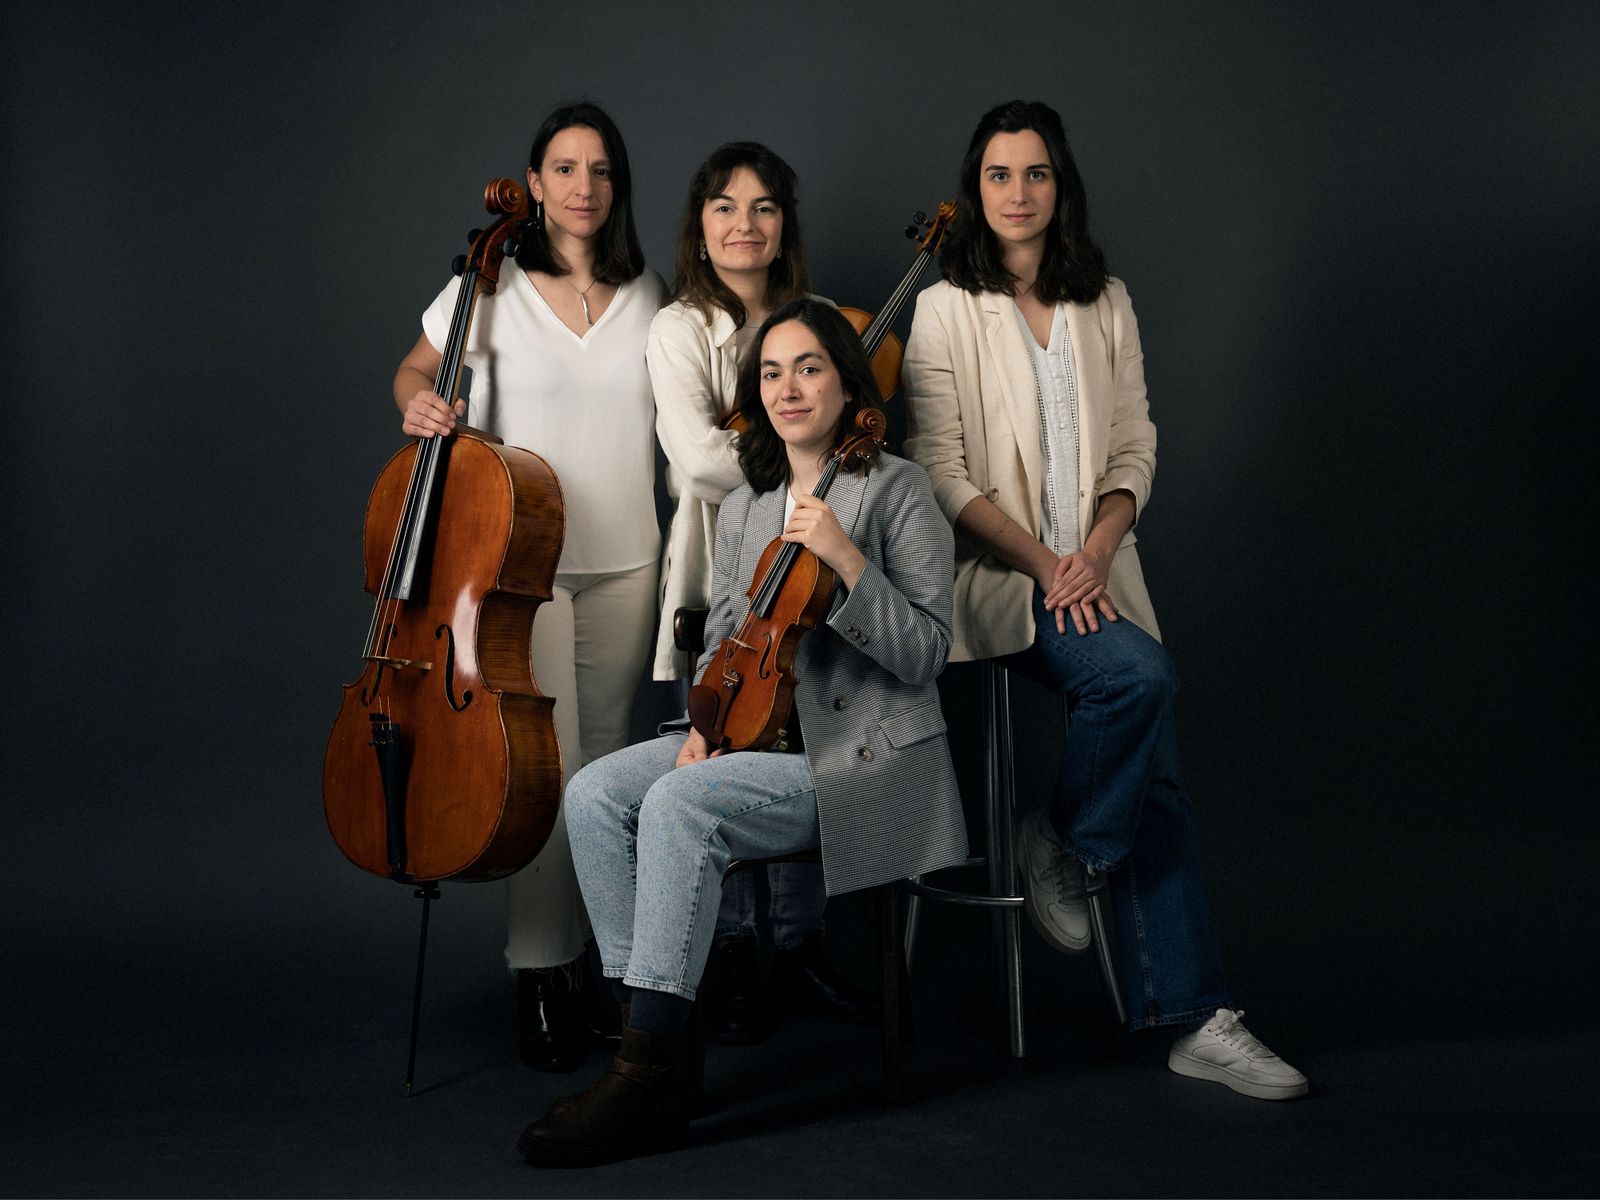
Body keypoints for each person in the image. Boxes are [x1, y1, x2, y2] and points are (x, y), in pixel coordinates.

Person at [902, 99, 1308, 1101]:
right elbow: (939, 472)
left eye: (1035, 173)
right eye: (998, 175)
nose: (1017, 193)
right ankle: (1079, 857)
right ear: (975, 188)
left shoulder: (1106, 299)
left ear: (1061, 184)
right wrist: (1047, 564)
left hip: (1095, 570)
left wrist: (1093, 549)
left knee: (1153, 766)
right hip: (1001, 579)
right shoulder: (946, 306)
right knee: (1138, 683)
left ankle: (1179, 998)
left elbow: (1135, 444)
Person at [518, 299, 968, 1166]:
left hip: (856, 755)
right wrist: (704, 725)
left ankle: (641, 1076)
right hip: (751, 737)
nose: (788, 388)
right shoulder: (750, 503)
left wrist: (846, 559)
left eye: (809, 367)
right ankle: (655, 1049)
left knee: (679, 806)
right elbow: (730, 639)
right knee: (596, 792)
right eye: (770, 372)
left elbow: (925, 654)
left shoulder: (899, 489)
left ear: (847, 384)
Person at [392, 102, 664, 1072]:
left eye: (600, 169)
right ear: (536, 183)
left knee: (606, 772)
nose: (584, 186)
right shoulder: (490, 285)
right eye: (565, 168)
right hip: (521, 568)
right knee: (545, 768)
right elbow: (413, 371)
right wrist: (420, 406)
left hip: (630, 558)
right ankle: (541, 975)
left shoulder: (650, 294)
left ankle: (596, 965)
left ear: (616, 185)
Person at [647, 142, 872, 1041]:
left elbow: (865, 432)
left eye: (765, 207)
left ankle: (802, 943)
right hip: (716, 559)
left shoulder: (816, 321)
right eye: (725, 206)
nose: (745, 224)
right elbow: (699, 460)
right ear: (699, 227)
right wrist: (803, 453)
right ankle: (737, 951)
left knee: (803, 729)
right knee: (726, 734)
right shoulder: (677, 329)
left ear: (785, 226)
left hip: (813, 559)